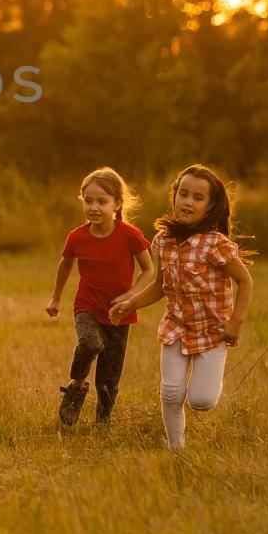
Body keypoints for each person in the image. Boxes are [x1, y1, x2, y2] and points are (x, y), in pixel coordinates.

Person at [110, 164, 254, 450]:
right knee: (172, 393)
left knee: (201, 400)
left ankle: (206, 386)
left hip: (212, 332)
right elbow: (160, 287)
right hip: (175, 327)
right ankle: (176, 449)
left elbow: (245, 281)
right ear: (174, 197)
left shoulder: (216, 245)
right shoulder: (163, 241)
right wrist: (130, 303)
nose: (188, 202)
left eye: (197, 198)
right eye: (183, 194)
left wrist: (236, 321)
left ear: (210, 206)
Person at [44, 167, 153, 426]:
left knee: (109, 379)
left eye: (102, 202)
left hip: (120, 315)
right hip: (87, 308)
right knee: (90, 343)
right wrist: (56, 298)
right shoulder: (77, 237)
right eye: (88, 201)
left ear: (116, 204)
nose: (94, 207)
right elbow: (65, 265)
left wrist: (130, 297)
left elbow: (149, 270)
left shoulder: (130, 235)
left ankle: (102, 425)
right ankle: (76, 387)